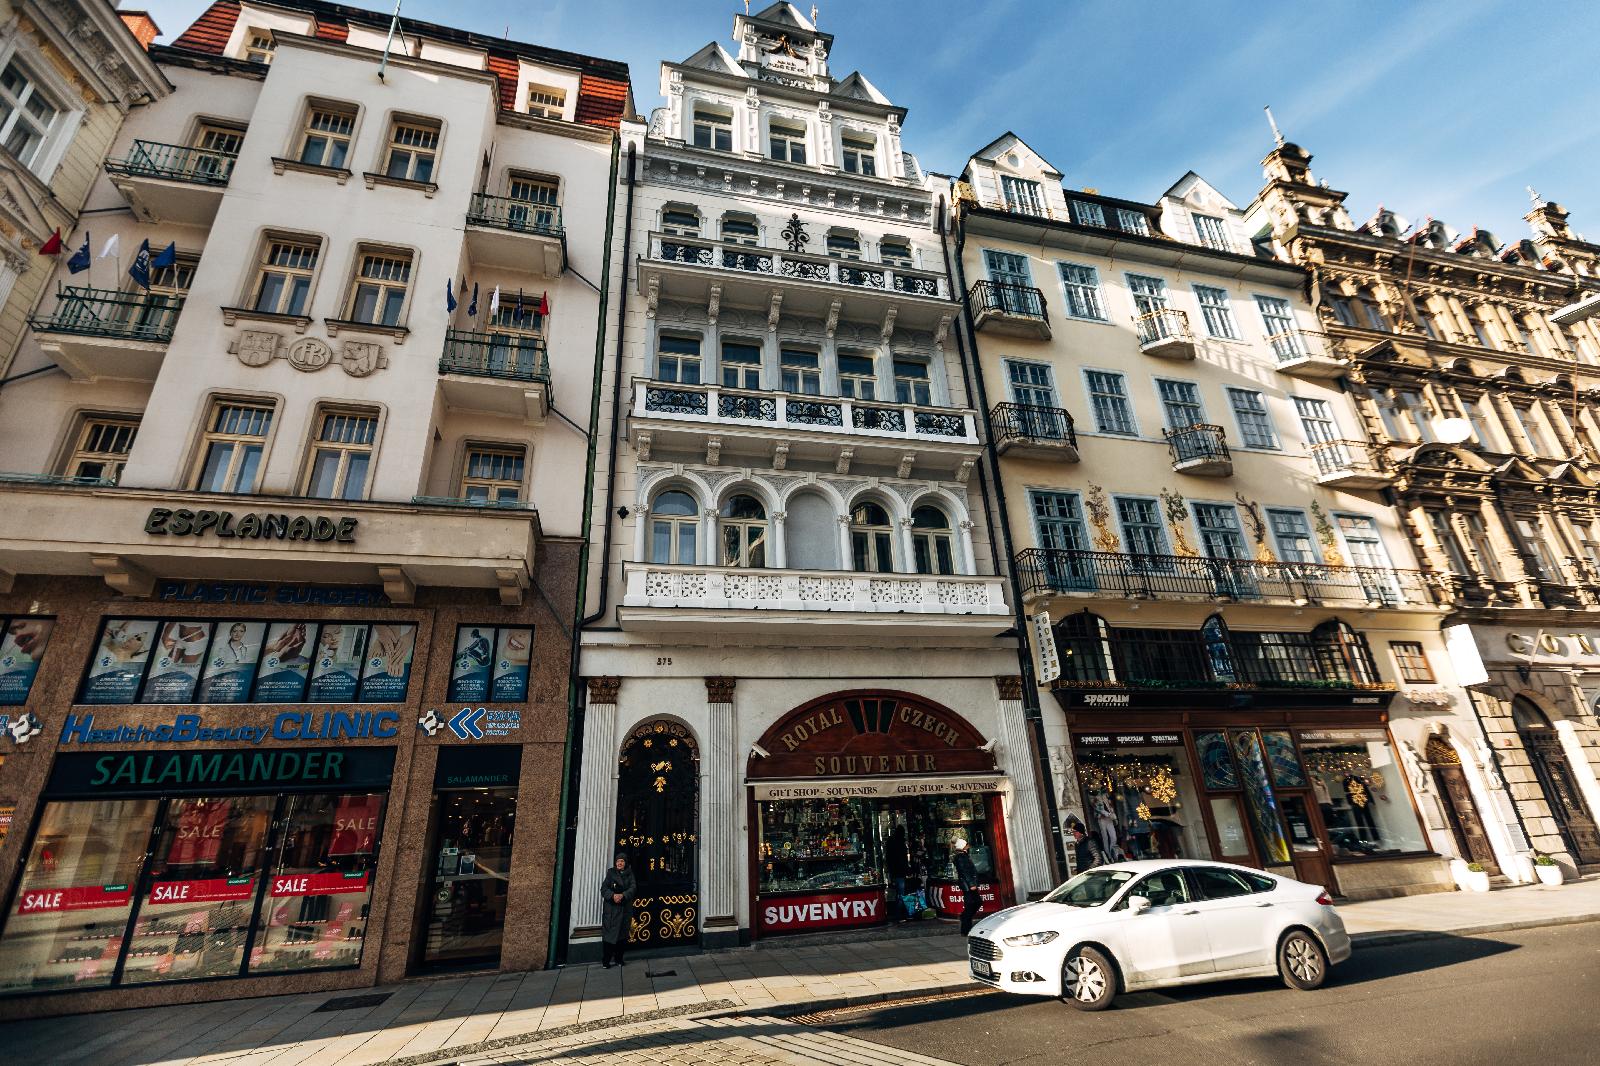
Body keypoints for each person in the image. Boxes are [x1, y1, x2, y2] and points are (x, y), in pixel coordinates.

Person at [600, 853, 636, 969]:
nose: (620, 863)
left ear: (625, 863)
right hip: (612, 911)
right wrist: (613, 895)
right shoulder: (611, 873)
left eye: (622, 861)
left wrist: (623, 895)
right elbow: (604, 889)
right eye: (618, 861)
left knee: (622, 936)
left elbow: (633, 887)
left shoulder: (630, 873)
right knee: (609, 937)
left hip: (624, 910)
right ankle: (606, 961)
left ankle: (619, 959)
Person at [951, 837, 983, 936]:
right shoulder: (961, 857)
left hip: (968, 884)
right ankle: (965, 927)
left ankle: (965, 921)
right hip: (968, 886)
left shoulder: (963, 856)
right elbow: (965, 872)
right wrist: (972, 884)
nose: (967, 847)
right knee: (972, 905)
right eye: (966, 845)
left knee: (975, 903)